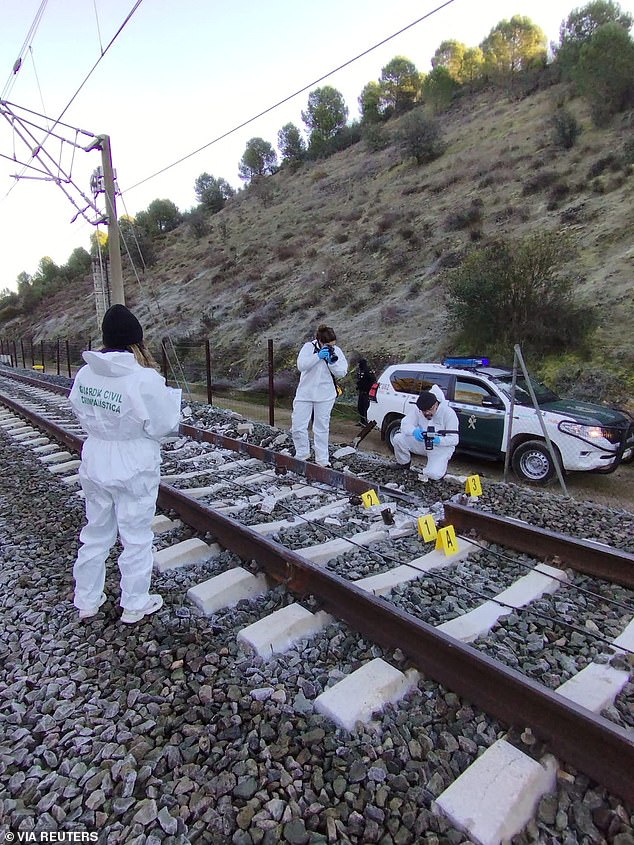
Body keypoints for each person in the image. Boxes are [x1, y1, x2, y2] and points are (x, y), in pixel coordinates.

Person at [69, 304, 182, 624]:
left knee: (95, 532)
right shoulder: (143, 379)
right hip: (134, 463)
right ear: (137, 342)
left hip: (96, 458)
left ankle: (87, 600)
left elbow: (78, 409)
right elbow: (164, 425)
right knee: (136, 535)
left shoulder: (86, 373)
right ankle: (134, 603)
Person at [291, 324, 348, 467]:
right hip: (305, 393)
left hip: (325, 395)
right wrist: (318, 356)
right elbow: (301, 365)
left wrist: (331, 362)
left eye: (333, 345)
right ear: (320, 341)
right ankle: (302, 452)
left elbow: (341, 372)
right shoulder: (308, 348)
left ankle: (322, 459)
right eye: (328, 345)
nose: (331, 347)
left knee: (321, 427)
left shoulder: (337, 351)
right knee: (298, 425)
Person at [392, 384, 459, 480]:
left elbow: (454, 440)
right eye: (424, 411)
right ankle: (403, 464)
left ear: (436, 404)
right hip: (423, 443)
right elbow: (405, 424)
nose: (426, 413)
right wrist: (414, 431)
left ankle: (440, 469)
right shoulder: (419, 410)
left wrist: (438, 440)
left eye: (429, 409)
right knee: (398, 438)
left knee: (433, 475)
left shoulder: (449, 414)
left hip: (440, 448)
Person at [356, 358, 376, 425]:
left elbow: (372, 380)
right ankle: (362, 421)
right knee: (360, 407)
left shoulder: (368, 371)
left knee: (366, 408)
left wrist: (368, 388)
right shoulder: (360, 371)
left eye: (359, 364)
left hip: (367, 392)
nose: (358, 365)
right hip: (361, 391)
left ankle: (366, 422)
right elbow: (359, 380)